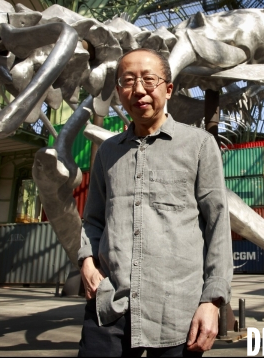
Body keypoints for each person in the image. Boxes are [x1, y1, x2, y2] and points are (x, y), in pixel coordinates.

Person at [77, 48, 233, 356]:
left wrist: (212, 301)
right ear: (119, 90)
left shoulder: (200, 145)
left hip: (177, 312)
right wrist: (86, 260)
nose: (138, 90)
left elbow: (217, 225)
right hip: (111, 305)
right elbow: (93, 220)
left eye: (149, 79)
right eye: (127, 81)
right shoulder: (107, 153)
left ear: (168, 88)